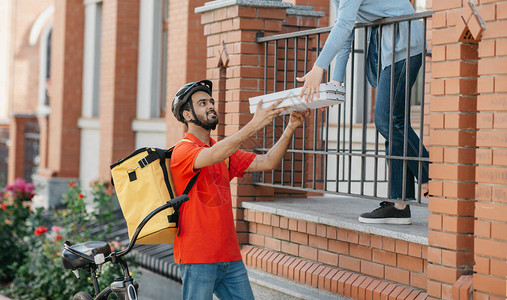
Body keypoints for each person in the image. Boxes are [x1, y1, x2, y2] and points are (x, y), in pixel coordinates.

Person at [170, 80, 308, 300]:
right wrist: (255, 124)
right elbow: (213, 155)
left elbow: (268, 161)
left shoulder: (223, 151)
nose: (211, 106)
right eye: (202, 103)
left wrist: (291, 127)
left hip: (230, 257)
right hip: (197, 258)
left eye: (211, 101)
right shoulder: (183, 150)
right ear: (187, 115)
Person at [296, 0, 429, 224]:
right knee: (392, 124)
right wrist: (336, 80)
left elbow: (344, 25)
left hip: (404, 43)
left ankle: (432, 176)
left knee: (388, 121)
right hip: (390, 45)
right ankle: (399, 203)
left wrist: (319, 67)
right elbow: (345, 32)